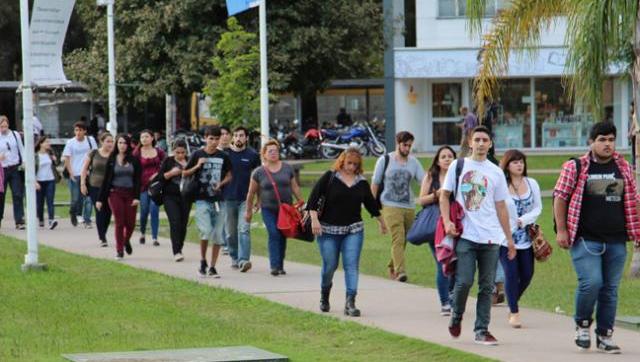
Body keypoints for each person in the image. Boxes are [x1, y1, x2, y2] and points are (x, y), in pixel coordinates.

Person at [554, 122, 640, 354]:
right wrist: (562, 230)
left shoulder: (623, 167)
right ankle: (582, 325)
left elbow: (631, 200)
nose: (607, 144)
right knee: (591, 282)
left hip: (616, 240)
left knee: (610, 289)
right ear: (591, 142)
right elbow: (560, 197)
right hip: (585, 239)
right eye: (602, 139)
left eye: (611, 139)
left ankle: (604, 335)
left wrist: (636, 231)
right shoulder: (576, 166)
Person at [440, 125, 516, 346]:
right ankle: (456, 315)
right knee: (463, 282)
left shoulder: (496, 172)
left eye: (485, 140)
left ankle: (482, 330)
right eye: (477, 139)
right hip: (466, 235)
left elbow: (501, 207)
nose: (481, 143)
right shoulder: (458, 166)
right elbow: (444, 197)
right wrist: (447, 221)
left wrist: (509, 239)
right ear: (470, 142)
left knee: (487, 286)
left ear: (490, 143)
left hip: (491, 238)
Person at [308, 148, 387, 316]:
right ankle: (324, 295)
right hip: (328, 230)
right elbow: (312, 201)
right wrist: (314, 220)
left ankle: (350, 302)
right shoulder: (329, 177)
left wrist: (382, 222)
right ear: (342, 161)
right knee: (330, 266)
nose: (351, 167)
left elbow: (371, 204)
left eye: (355, 164)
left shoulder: (361, 182)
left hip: (353, 230)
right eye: (349, 163)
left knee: (351, 265)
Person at [371, 131, 425, 283]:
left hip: (408, 206)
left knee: (405, 238)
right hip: (389, 205)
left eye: (410, 145)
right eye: (405, 145)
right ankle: (400, 272)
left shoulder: (414, 162)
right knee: (398, 237)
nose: (407, 148)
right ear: (398, 143)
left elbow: (424, 181)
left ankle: (392, 265)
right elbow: (374, 184)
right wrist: (373, 210)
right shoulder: (385, 160)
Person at [245, 139, 303, 276]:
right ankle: (274, 266)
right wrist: (248, 211)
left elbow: (294, 186)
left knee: (283, 235)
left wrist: (301, 202)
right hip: (268, 209)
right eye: (270, 151)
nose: (273, 153)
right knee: (274, 233)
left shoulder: (287, 168)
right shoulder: (258, 172)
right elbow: (251, 192)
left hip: (286, 209)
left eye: (276, 151)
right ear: (264, 154)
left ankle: (280, 265)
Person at [499, 149, 542, 328]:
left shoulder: (532, 183)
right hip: (505, 238)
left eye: (521, 161)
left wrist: (523, 220)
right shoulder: (501, 185)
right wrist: (509, 223)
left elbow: (538, 208)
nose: (519, 165)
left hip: (526, 238)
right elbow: (497, 208)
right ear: (507, 165)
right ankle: (514, 312)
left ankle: (511, 302)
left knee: (527, 274)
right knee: (511, 273)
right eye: (515, 162)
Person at [183, 126, 232, 278]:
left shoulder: (223, 156)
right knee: (205, 232)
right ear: (205, 138)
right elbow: (185, 173)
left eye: (216, 139)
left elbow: (230, 175)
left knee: (217, 235)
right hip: (201, 199)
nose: (213, 142)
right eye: (211, 138)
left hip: (218, 200)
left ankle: (212, 267)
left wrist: (221, 183)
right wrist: (198, 165)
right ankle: (203, 260)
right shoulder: (197, 154)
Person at [418, 145, 456, 315]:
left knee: (457, 262)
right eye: (444, 156)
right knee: (443, 263)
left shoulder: (459, 176)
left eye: (450, 156)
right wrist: (437, 194)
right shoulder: (431, 176)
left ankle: (452, 294)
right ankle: (445, 302)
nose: (447, 159)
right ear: (438, 161)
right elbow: (421, 200)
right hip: (435, 227)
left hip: (455, 225)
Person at [96, 134, 141, 260]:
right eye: (120, 143)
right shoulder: (112, 158)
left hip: (130, 194)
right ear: (117, 144)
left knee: (131, 224)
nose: (122, 145)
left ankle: (126, 241)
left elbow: (138, 180)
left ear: (128, 145)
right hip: (115, 193)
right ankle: (119, 250)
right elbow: (106, 180)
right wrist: (100, 199)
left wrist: (137, 197)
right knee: (119, 222)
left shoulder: (134, 159)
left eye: (125, 143)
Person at [222, 126, 260, 271]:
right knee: (231, 233)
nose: (238, 138)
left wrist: (259, 199)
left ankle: (244, 260)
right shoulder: (225, 154)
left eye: (241, 135)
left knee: (244, 229)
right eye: (236, 135)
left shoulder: (252, 155)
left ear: (246, 138)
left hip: (246, 199)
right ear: (232, 137)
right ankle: (234, 257)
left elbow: (259, 178)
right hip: (228, 199)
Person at [81, 132, 114, 247]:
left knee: (108, 211)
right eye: (108, 141)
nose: (110, 144)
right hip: (95, 185)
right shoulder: (94, 153)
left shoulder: (114, 155)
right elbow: (84, 169)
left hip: (110, 187)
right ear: (102, 142)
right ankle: (102, 237)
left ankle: (103, 232)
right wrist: (82, 184)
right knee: (99, 210)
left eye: (111, 141)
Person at [159, 139, 191, 261]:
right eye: (177, 152)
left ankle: (180, 246)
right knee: (175, 222)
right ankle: (176, 251)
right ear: (173, 151)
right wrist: (171, 173)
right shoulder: (168, 161)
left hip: (185, 197)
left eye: (183, 152)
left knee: (183, 224)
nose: (180, 155)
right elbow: (160, 177)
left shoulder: (189, 161)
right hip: (170, 196)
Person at [134, 129, 166, 246]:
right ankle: (142, 233)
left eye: (147, 137)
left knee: (154, 210)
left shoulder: (159, 151)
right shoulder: (137, 153)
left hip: (156, 186)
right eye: (142, 137)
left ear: (152, 138)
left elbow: (166, 164)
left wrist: (158, 174)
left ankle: (154, 237)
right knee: (144, 211)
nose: (144, 139)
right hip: (142, 186)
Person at [63, 121, 96, 228]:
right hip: (75, 173)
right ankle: (73, 213)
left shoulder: (90, 140)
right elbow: (67, 158)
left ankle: (87, 220)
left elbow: (95, 154)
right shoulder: (70, 143)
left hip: (88, 173)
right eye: (76, 130)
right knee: (76, 199)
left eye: (80, 130)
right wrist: (71, 172)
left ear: (85, 131)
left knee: (88, 198)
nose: (78, 132)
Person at [0, 115, 25, 229]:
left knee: (17, 194)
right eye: (1, 127)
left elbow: (21, 148)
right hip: (2, 169)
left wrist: (24, 161)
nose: (4, 129)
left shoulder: (15, 135)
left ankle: (19, 220)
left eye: (5, 126)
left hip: (14, 168)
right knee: (1, 195)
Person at [34, 136, 59, 230]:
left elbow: (55, 165)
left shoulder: (50, 154)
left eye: (49, 142)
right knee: (39, 203)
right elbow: (32, 170)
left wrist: (54, 159)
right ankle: (40, 219)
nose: (49, 144)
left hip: (50, 180)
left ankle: (51, 220)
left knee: (50, 201)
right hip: (39, 181)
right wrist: (35, 182)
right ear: (41, 143)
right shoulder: (35, 155)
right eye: (46, 142)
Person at [217, 125, 232, 255]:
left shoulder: (233, 152)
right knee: (222, 215)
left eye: (227, 133)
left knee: (228, 216)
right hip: (218, 189)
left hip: (233, 189)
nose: (225, 136)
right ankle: (225, 243)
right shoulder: (214, 152)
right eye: (222, 134)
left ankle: (227, 242)